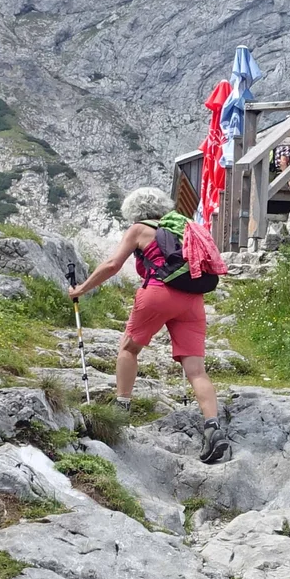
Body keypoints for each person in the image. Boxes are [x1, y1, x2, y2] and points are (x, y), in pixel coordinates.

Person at [69, 186, 231, 463]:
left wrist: (81, 289)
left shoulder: (139, 229)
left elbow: (112, 264)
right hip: (192, 299)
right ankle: (212, 427)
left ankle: (121, 408)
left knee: (129, 348)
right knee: (196, 370)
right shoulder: (185, 227)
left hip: (158, 294)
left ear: (134, 211)